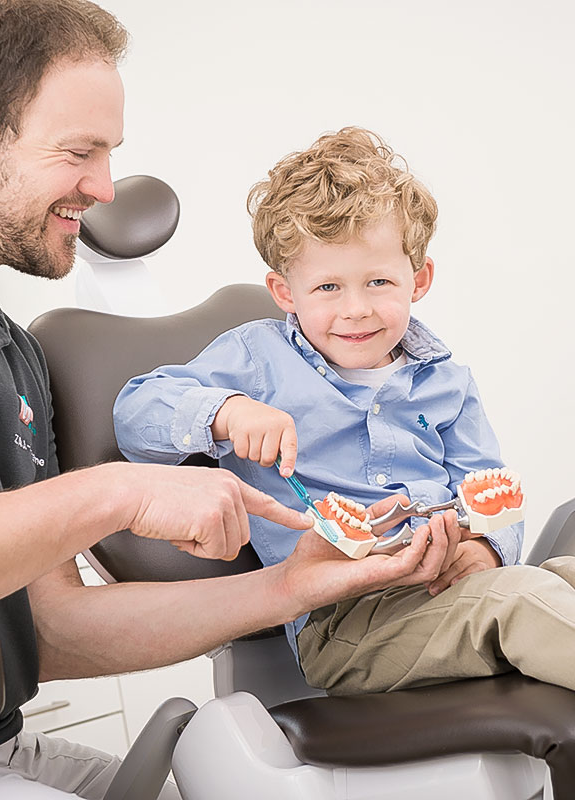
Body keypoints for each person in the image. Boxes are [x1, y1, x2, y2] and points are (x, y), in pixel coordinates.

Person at [0, 6, 466, 800]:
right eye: (79, 152)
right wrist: (120, 491)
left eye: (110, 155)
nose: (103, 188)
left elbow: (52, 628)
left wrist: (294, 586)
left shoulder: (13, 352)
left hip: (3, 748)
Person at [114, 126, 575, 698]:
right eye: (328, 287)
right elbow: (135, 411)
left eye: (378, 281)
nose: (356, 309)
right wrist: (227, 411)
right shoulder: (257, 358)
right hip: (346, 622)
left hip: (451, 588)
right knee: (524, 603)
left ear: (418, 279)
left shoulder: (448, 383)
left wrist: (484, 548)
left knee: (561, 575)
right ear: (286, 292)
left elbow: (489, 488)